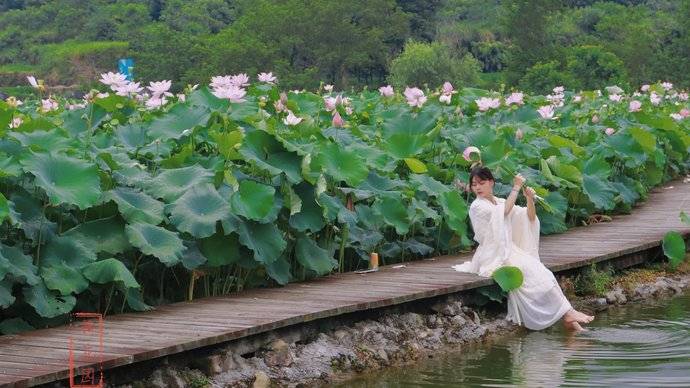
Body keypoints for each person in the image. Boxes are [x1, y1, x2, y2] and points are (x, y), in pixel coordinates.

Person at [452, 165, 594, 331]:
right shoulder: (478, 206)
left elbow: (529, 217)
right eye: (474, 184)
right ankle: (568, 315)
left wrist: (529, 199)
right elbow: (504, 212)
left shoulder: (498, 201)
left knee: (543, 272)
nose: (477, 187)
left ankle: (570, 318)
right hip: (492, 254)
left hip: (507, 249)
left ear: (491, 182)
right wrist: (517, 187)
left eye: (481, 183)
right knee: (534, 272)